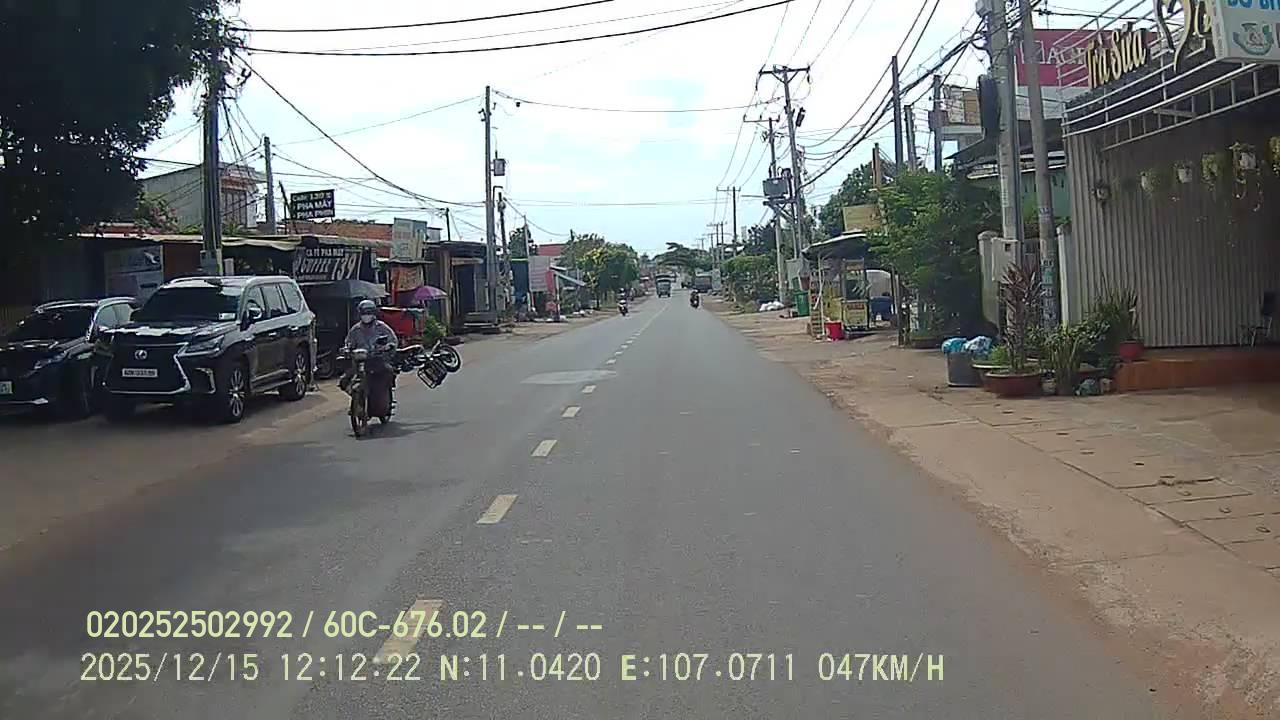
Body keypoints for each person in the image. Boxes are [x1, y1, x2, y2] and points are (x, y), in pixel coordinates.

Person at [340, 299, 398, 393]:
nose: (366, 315)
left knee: (389, 371)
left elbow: (393, 340)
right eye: (364, 313)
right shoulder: (355, 330)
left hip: (378, 361)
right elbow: (348, 343)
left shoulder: (382, 327)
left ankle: (388, 392)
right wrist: (346, 349)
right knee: (344, 380)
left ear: (373, 313)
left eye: (368, 313)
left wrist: (389, 346)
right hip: (360, 364)